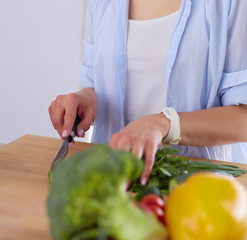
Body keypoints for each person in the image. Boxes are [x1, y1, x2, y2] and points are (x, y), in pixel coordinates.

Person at [49, 0, 247, 186]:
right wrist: (87, 98)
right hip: (112, 186)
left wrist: (165, 124)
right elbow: (93, 78)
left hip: (200, 194)